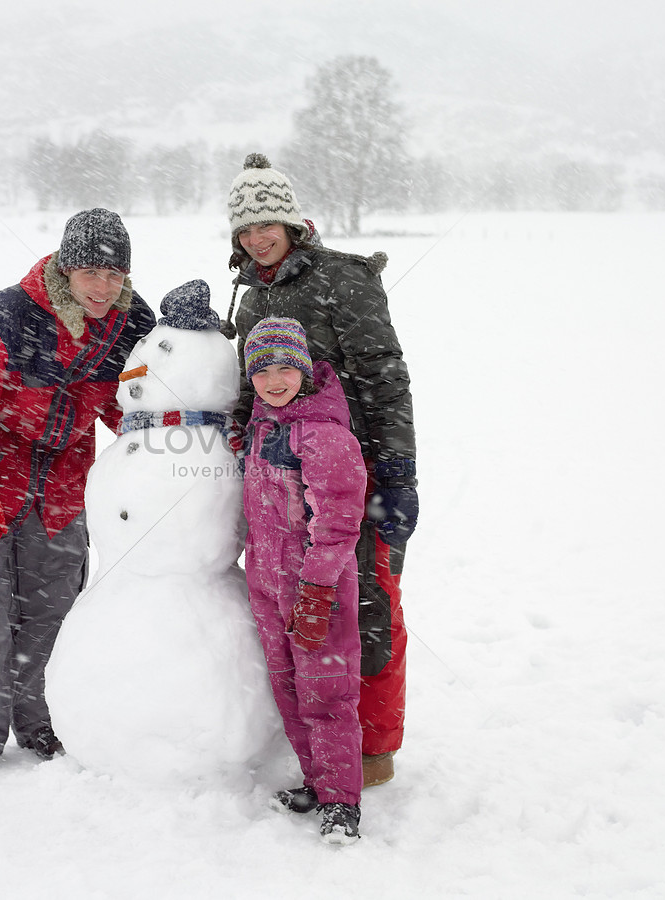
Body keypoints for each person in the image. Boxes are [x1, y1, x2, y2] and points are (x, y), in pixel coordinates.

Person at [0, 208, 156, 777]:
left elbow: (126, 403)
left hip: (62, 485)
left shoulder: (129, 324)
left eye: (115, 274)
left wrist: (164, 436)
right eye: (90, 273)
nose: (104, 287)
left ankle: (45, 721)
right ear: (64, 267)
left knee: (54, 610)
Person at [226, 154, 419, 788]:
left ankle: (373, 753)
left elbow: (384, 378)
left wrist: (395, 477)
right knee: (310, 618)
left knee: (370, 608)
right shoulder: (253, 298)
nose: (258, 237)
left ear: (291, 221)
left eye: (267, 223)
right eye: (246, 228)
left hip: (351, 474)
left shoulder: (343, 279)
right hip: (285, 486)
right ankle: (322, 747)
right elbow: (255, 389)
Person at [241, 317, 367, 844]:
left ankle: (342, 802)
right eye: (262, 370)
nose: (274, 380)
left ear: (304, 371)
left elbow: (338, 520)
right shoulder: (263, 424)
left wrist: (315, 589)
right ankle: (317, 783)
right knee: (289, 689)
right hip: (268, 582)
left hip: (318, 588)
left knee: (327, 693)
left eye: (285, 368)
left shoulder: (322, 433)